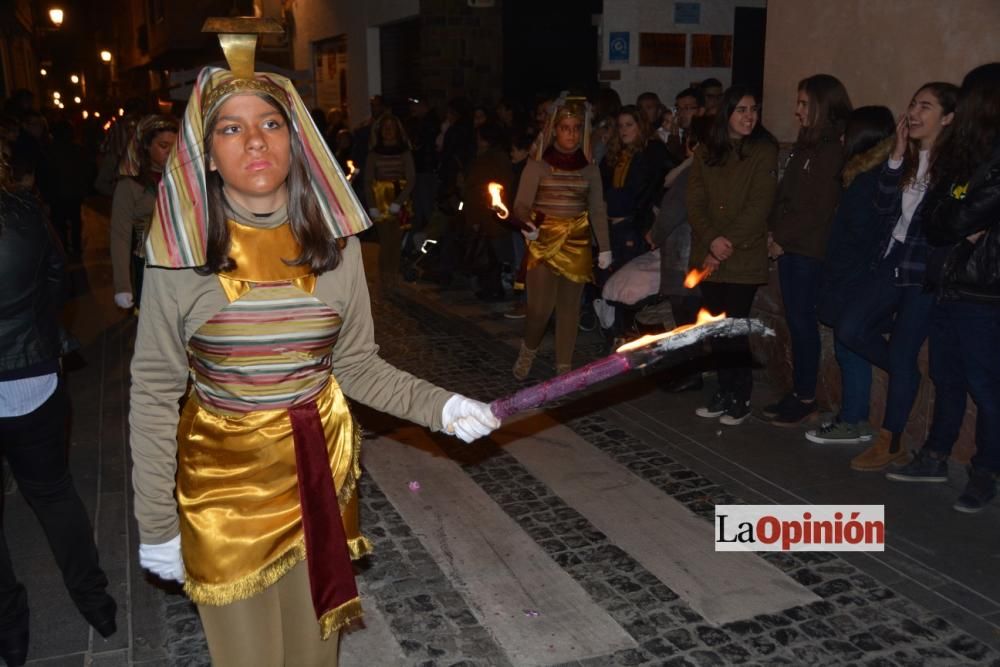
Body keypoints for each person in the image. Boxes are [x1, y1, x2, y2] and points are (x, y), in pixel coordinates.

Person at [129, 23, 500, 666]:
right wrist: (157, 521)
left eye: (270, 124)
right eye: (231, 127)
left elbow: (357, 364)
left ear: (296, 141)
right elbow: (156, 391)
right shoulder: (178, 259)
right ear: (206, 153)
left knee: (312, 655)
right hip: (223, 486)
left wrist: (441, 407)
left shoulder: (338, 247)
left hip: (315, 474)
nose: (253, 141)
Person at [0, 130, 117, 667]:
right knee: (53, 493)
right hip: (32, 375)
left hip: (29, 368)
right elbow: (57, 280)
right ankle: (95, 601)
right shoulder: (23, 212)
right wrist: (34, 332)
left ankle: (10, 630)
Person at [887, 62, 1000, 513]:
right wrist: (960, 222)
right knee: (946, 376)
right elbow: (937, 219)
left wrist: (959, 221)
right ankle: (935, 454)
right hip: (948, 281)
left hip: (982, 291)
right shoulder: (965, 154)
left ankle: (985, 469)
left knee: (986, 386)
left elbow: (954, 217)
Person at [838, 82, 958, 471]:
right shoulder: (905, 158)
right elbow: (885, 209)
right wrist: (894, 158)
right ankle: (905, 375)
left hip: (925, 268)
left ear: (948, 118)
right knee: (850, 327)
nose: (914, 113)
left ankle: (891, 442)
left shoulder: (955, 164)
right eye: (912, 104)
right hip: (893, 260)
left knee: (904, 350)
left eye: (926, 106)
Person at [687, 85, 779, 425]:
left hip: (742, 254)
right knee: (715, 328)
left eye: (753, 109)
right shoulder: (706, 150)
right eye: (741, 109)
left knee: (734, 328)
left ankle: (740, 395)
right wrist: (712, 240)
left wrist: (726, 243)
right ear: (726, 113)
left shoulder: (763, 150)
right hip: (709, 252)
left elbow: (760, 205)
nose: (749, 116)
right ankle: (725, 390)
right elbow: (694, 201)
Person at [766, 74, 853, 426]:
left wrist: (781, 237)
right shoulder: (808, 146)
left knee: (802, 324)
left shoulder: (832, 151)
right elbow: (786, 194)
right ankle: (799, 390)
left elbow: (816, 207)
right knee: (796, 321)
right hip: (790, 246)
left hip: (806, 251)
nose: (797, 111)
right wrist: (773, 229)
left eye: (804, 103)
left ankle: (805, 396)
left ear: (821, 105)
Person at [806, 106, 895, 444]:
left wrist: (837, 274)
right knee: (848, 348)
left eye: (848, 133)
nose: (842, 139)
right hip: (852, 278)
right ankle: (854, 417)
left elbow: (858, 238)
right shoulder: (865, 175)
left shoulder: (869, 181)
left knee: (850, 344)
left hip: (855, 280)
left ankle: (855, 418)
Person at [511, 94, 612, 379]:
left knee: (570, 310)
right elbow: (520, 204)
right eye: (565, 127)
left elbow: (597, 208)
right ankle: (528, 349)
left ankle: (564, 368)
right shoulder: (538, 163)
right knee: (540, 309)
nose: (571, 134)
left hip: (577, 242)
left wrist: (604, 248)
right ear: (555, 129)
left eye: (576, 128)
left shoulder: (590, 168)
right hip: (544, 241)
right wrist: (527, 223)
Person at [110, 115, 178, 311]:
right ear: (146, 146)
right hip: (150, 268)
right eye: (163, 145)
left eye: (175, 146)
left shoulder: (183, 178)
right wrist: (122, 285)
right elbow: (120, 235)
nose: (170, 152)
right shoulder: (129, 185)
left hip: (185, 265)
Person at [364, 112, 415, 294]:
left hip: (399, 199)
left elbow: (411, 178)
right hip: (380, 200)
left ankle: (393, 275)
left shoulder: (404, 152)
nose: (388, 131)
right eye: (385, 128)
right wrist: (372, 205)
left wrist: (400, 201)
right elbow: (368, 180)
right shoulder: (374, 154)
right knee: (386, 241)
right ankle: (385, 276)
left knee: (396, 241)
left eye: (391, 128)